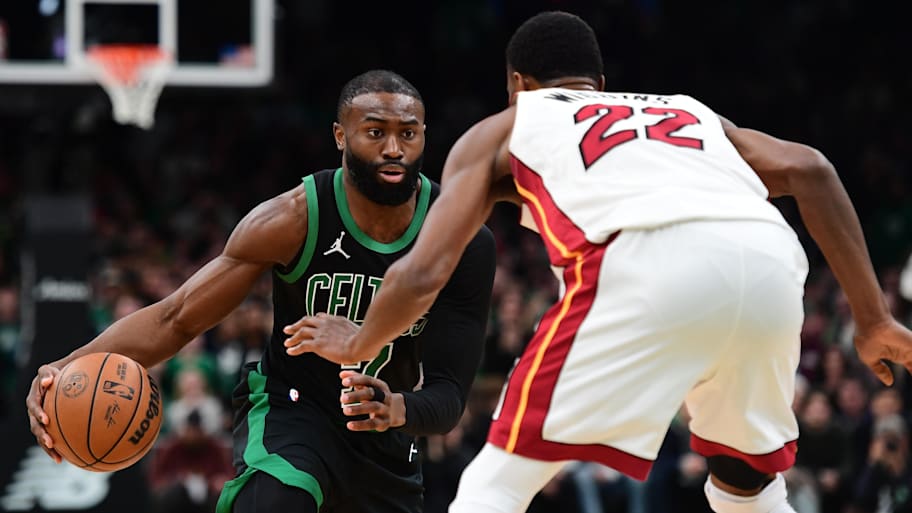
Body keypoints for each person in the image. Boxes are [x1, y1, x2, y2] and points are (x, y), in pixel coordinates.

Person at [283, 12, 912, 513]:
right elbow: (812, 169)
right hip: (772, 260)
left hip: (645, 263)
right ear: (602, 87)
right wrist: (873, 319)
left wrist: (361, 339)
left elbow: (423, 273)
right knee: (746, 483)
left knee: (493, 487)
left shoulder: (508, 125)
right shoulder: (686, 109)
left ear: (516, 86)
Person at [25, 69, 496, 513]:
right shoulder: (293, 219)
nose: (393, 148)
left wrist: (395, 407)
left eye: (407, 134)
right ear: (340, 136)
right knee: (277, 498)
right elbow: (178, 318)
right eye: (375, 132)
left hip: (387, 437)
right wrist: (63, 368)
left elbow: (449, 396)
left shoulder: (464, 242)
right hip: (294, 409)